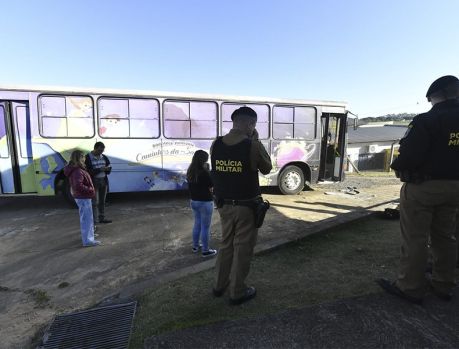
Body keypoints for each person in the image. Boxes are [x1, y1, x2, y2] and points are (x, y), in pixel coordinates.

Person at [377, 75, 459, 304]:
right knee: (446, 237)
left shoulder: (428, 120)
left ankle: (410, 288)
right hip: (456, 188)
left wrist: (398, 167)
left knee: (416, 238)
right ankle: (444, 285)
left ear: (436, 96)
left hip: (425, 187)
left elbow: (409, 154)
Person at [211, 106, 272, 305]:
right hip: (247, 207)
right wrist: (256, 141)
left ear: (234, 122)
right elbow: (267, 167)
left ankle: (219, 285)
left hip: (223, 205)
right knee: (243, 248)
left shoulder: (216, 144)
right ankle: (237, 291)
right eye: (254, 124)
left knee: (226, 244)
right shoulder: (251, 145)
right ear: (250, 124)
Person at [64, 150, 101, 247]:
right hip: (83, 197)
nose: (84, 159)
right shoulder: (77, 171)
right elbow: (78, 185)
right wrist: (90, 190)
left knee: (87, 218)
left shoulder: (75, 169)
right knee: (87, 219)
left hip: (81, 197)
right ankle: (88, 240)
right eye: (83, 157)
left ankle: (89, 236)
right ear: (79, 158)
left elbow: (77, 186)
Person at [186, 150, 218, 258]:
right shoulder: (204, 172)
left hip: (194, 201)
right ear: (203, 160)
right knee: (205, 227)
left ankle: (195, 246)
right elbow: (212, 184)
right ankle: (205, 250)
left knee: (197, 224)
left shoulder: (190, 170)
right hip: (205, 202)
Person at [85, 142, 112, 225]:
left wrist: (108, 169)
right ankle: (95, 221)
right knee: (94, 202)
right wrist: (100, 169)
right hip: (94, 181)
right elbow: (88, 172)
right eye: (100, 150)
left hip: (103, 180)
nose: (101, 152)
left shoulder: (104, 157)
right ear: (95, 148)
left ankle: (102, 218)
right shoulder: (87, 157)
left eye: (102, 150)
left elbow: (109, 167)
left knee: (102, 201)